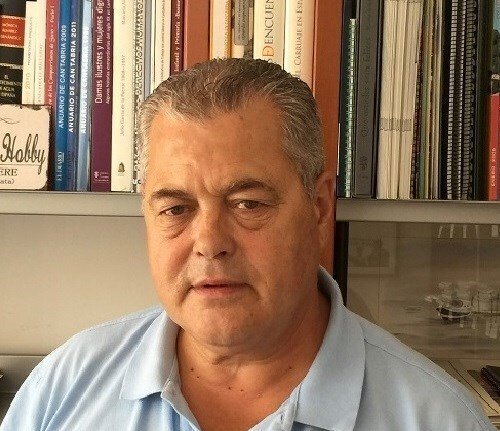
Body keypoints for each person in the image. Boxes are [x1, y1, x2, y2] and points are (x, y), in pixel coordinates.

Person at [1, 59, 494, 431]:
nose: (210, 243)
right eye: (176, 208)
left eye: (248, 203)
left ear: (320, 207)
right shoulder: (63, 390)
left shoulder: (439, 418)